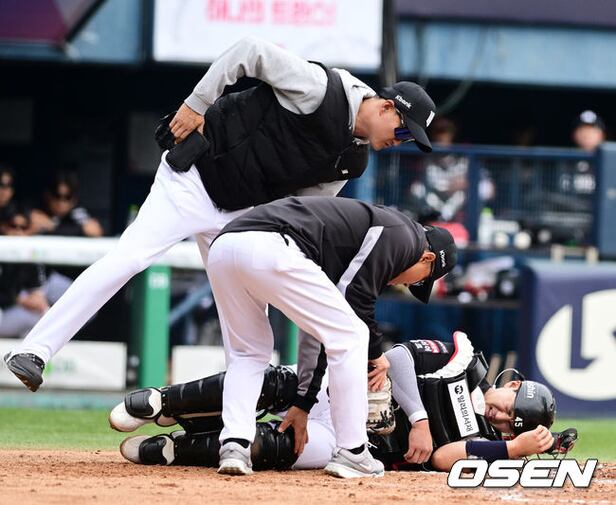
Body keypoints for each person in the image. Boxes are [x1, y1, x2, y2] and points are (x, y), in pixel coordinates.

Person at [4, 36, 437, 393]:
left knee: (252, 325)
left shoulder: (352, 162)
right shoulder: (322, 88)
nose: (401, 141)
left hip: (241, 213)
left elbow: (300, 210)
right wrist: (196, 104)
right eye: (404, 130)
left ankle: (235, 427)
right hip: (193, 179)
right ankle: (35, 350)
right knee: (130, 258)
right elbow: (249, 51)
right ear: (386, 107)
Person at [191, 195, 456, 477]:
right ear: (427, 258)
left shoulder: (382, 233)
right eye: (419, 280)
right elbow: (355, 299)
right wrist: (376, 354)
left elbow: (317, 332)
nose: (405, 284)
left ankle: (235, 444)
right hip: (271, 244)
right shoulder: (404, 237)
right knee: (353, 336)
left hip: (225, 248)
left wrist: (304, 402)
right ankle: (353, 451)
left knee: (248, 353)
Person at [109, 331, 575, 474]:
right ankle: (164, 402)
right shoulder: (463, 359)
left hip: (351, 441)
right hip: (341, 388)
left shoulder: (488, 445)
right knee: (276, 383)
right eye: (507, 406)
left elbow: (442, 458)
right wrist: (419, 418)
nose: (498, 415)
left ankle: (175, 450)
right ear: (513, 384)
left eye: (508, 422)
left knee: (277, 449)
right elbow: (398, 357)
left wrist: (513, 450)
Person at [30, 171, 104, 238]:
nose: (61, 203)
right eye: (57, 196)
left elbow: (94, 231)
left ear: (74, 199)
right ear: (48, 196)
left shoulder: (77, 212)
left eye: (68, 197)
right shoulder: (37, 209)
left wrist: (52, 227)